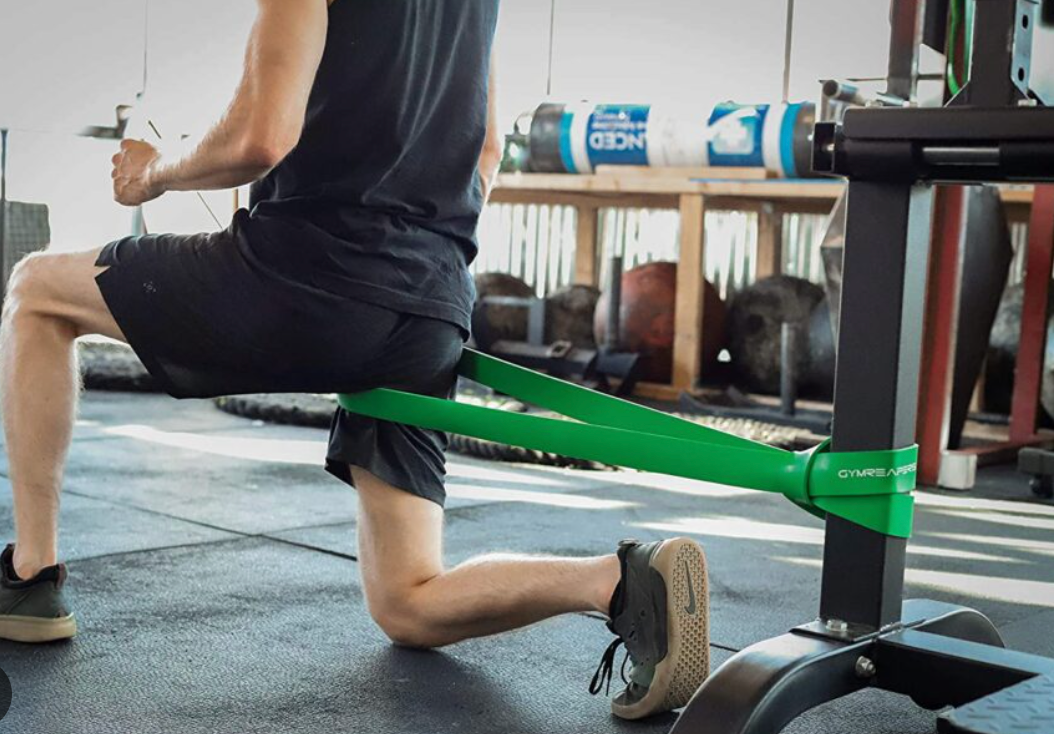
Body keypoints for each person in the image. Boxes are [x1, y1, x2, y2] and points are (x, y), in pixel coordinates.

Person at [0, 0, 709, 720]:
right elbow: (488, 149)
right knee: (407, 603)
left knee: (35, 290)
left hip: (301, 284)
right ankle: (620, 582)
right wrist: (419, 259)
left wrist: (154, 173)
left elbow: (260, 136)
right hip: (432, 302)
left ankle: (30, 573)